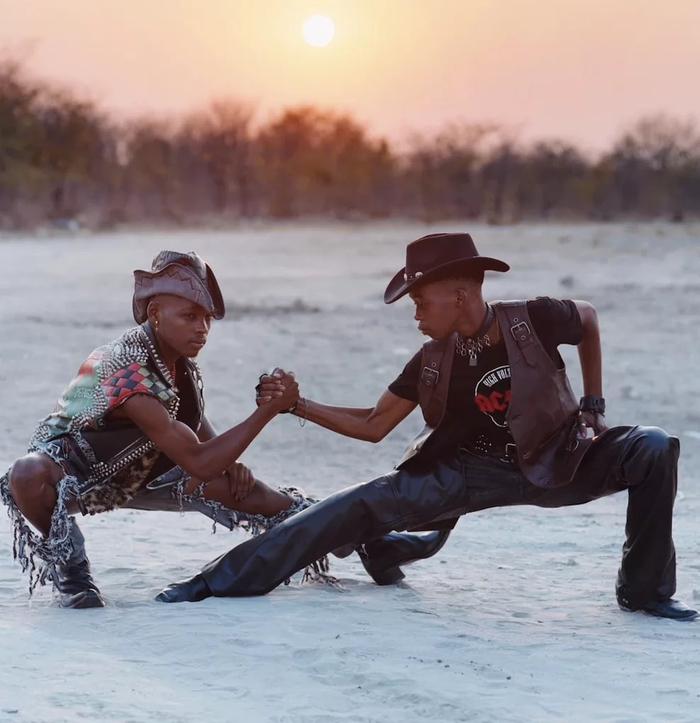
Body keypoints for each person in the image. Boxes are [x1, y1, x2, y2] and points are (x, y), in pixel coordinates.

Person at [156, 232, 697, 621]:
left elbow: (589, 318)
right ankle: (217, 581)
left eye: (420, 301)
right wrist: (297, 406)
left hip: (560, 458)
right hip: (468, 472)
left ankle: (645, 593)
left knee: (652, 446)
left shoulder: (534, 317)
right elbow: (374, 424)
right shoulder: (432, 360)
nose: (415, 313)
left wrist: (594, 403)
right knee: (350, 507)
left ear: (459, 296)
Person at [0, 250, 309, 608]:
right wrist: (267, 412)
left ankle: (343, 528)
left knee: (261, 497)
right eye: (189, 316)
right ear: (155, 314)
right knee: (25, 474)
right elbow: (199, 461)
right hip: (77, 474)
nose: (202, 328)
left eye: (207, 318)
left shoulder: (176, 362)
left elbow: (192, 422)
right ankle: (72, 572)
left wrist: (230, 464)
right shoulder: (125, 368)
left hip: (146, 471)